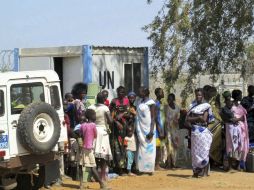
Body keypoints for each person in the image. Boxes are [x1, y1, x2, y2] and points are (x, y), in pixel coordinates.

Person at [185, 88, 214, 177]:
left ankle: (205, 173)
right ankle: (196, 172)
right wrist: (198, 118)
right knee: (195, 153)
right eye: (197, 95)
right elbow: (187, 119)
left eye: (200, 95)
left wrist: (194, 118)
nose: (198, 97)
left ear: (203, 96)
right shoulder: (191, 106)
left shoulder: (206, 106)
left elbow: (205, 119)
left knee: (204, 152)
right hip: (194, 132)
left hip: (203, 132)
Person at [79, 109, 110, 190]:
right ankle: (102, 184)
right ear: (91, 116)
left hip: (83, 148)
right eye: (94, 115)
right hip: (90, 149)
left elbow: (80, 134)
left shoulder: (82, 125)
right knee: (93, 167)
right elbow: (95, 135)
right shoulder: (93, 125)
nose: (95, 116)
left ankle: (81, 185)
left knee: (81, 166)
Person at [88, 92, 113, 182]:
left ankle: (93, 176)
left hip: (92, 131)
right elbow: (110, 121)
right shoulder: (105, 108)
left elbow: (86, 117)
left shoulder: (91, 107)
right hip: (102, 132)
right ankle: (102, 177)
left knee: (93, 155)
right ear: (104, 99)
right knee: (103, 156)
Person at [136, 87, 156, 175]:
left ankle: (149, 169)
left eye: (140, 91)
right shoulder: (139, 102)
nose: (139, 92)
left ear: (145, 92)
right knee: (141, 148)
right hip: (141, 128)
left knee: (149, 149)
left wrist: (151, 131)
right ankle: (142, 168)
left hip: (148, 129)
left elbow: (153, 117)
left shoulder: (151, 103)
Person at [109, 86, 129, 175]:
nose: (121, 93)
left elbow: (129, 113)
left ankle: (124, 167)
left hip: (125, 128)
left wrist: (122, 114)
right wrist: (116, 122)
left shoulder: (127, 101)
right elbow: (110, 116)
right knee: (116, 148)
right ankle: (118, 168)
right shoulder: (114, 101)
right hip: (116, 129)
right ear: (117, 92)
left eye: (123, 92)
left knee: (124, 148)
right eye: (120, 92)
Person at [221, 91, 242, 171]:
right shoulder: (223, 109)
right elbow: (224, 119)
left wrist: (237, 119)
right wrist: (231, 120)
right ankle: (229, 166)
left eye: (230, 99)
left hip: (236, 128)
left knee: (238, 146)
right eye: (228, 100)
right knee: (230, 147)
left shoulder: (235, 107)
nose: (230, 102)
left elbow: (240, 116)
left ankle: (236, 166)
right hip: (229, 129)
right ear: (226, 100)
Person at [231, 89, 249, 170]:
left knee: (243, 145)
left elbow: (244, 116)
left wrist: (241, 119)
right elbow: (233, 118)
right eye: (240, 95)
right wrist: (239, 119)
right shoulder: (232, 107)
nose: (241, 96)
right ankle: (236, 164)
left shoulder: (240, 106)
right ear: (236, 96)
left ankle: (241, 163)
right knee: (237, 145)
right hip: (235, 129)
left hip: (243, 129)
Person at [207, 86, 223, 166]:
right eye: (212, 92)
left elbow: (219, 111)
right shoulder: (207, 103)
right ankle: (209, 162)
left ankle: (215, 162)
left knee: (216, 144)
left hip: (218, 127)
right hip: (210, 126)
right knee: (209, 143)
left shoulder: (216, 103)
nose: (214, 94)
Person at [165, 93, 180, 169]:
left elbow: (178, 117)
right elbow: (165, 119)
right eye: (168, 99)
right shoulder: (166, 108)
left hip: (175, 130)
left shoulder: (177, 107)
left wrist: (176, 121)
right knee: (169, 147)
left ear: (173, 99)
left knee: (175, 147)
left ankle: (174, 163)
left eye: (170, 99)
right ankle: (169, 163)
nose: (169, 100)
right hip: (168, 130)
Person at [154, 88, 166, 170]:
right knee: (157, 146)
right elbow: (156, 118)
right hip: (157, 128)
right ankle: (156, 165)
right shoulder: (156, 104)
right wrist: (160, 130)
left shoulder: (160, 103)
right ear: (157, 94)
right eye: (161, 92)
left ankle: (158, 163)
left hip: (161, 126)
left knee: (160, 146)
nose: (163, 93)